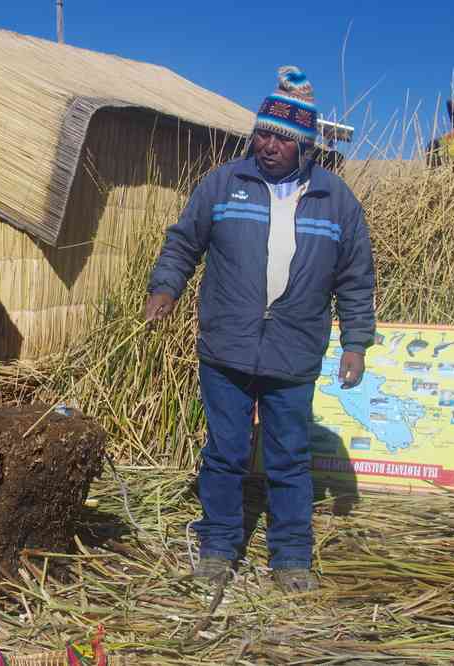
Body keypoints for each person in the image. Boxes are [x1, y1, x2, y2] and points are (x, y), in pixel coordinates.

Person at [144, 66, 375, 593]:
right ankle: (219, 546)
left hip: (293, 353)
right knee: (224, 452)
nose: (268, 145)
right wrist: (166, 287)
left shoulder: (335, 200)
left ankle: (291, 557)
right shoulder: (225, 184)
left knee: (289, 458)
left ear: (306, 147)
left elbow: (356, 277)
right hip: (226, 346)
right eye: (263, 133)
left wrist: (357, 343)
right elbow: (184, 243)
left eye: (282, 139)